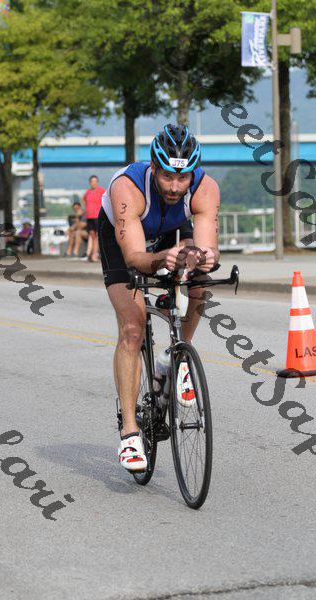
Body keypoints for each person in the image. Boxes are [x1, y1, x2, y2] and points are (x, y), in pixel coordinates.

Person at [98, 124, 220, 472]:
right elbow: (136, 257)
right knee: (133, 328)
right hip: (123, 239)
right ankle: (129, 433)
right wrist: (163, 258)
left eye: (183, 178)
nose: (175, 186)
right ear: (154, 167)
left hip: (171, 230)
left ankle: (179, 357)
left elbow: (207, 246)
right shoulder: (128, 187)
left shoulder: (205, 188)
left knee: (200, 283)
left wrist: (202, 258)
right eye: (167, 176)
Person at [82, 175, 105, 262]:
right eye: (92, 181)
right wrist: (87, 209)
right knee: (93, 236)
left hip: (98, 217)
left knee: (98, 236)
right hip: (89, 217)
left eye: (95, 181)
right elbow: (83, 200)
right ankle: (92, 254)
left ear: (97, 182)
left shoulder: (102, 191)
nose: (94, 183)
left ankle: (94, 255)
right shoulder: (87, 192)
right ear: (90, 183)